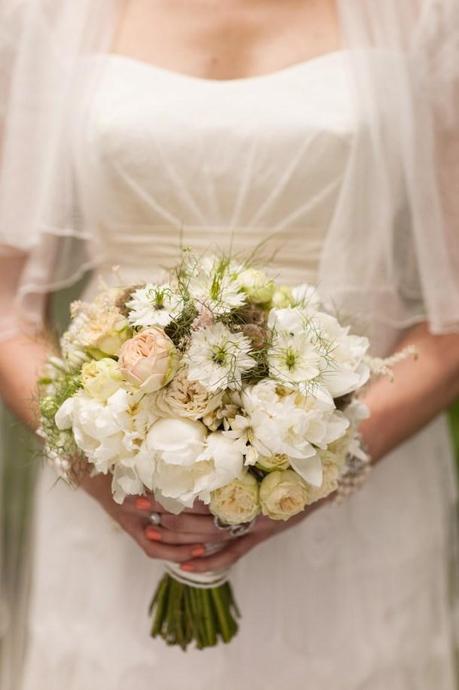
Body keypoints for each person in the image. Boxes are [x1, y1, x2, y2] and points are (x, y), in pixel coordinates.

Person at [0, 1, 458, 688]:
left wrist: (321, 465)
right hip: (114, 502)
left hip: (358, 504)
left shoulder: (424, 16)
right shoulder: (42, 15)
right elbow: (7, 309)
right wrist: (104, 473)